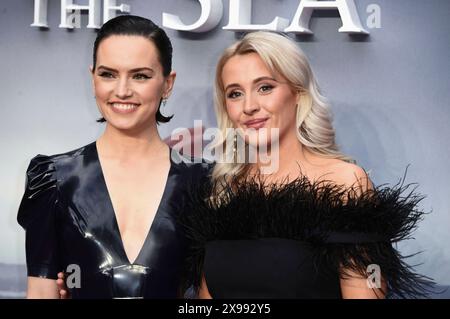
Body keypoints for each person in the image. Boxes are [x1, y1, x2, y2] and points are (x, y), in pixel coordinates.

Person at [179, 31, 434, 299]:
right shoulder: (226, 190)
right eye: (235, 93)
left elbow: (369, 288)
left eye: (265, 87)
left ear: (298, 93)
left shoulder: (343, 181)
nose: (249, 106)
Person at [17, 15, 206, 299]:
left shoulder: (203, 183)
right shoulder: (53, 179)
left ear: (167, 84)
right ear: (93, 78)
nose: (122, 90)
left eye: (140, 75)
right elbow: (41, 293)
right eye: (108, 74)